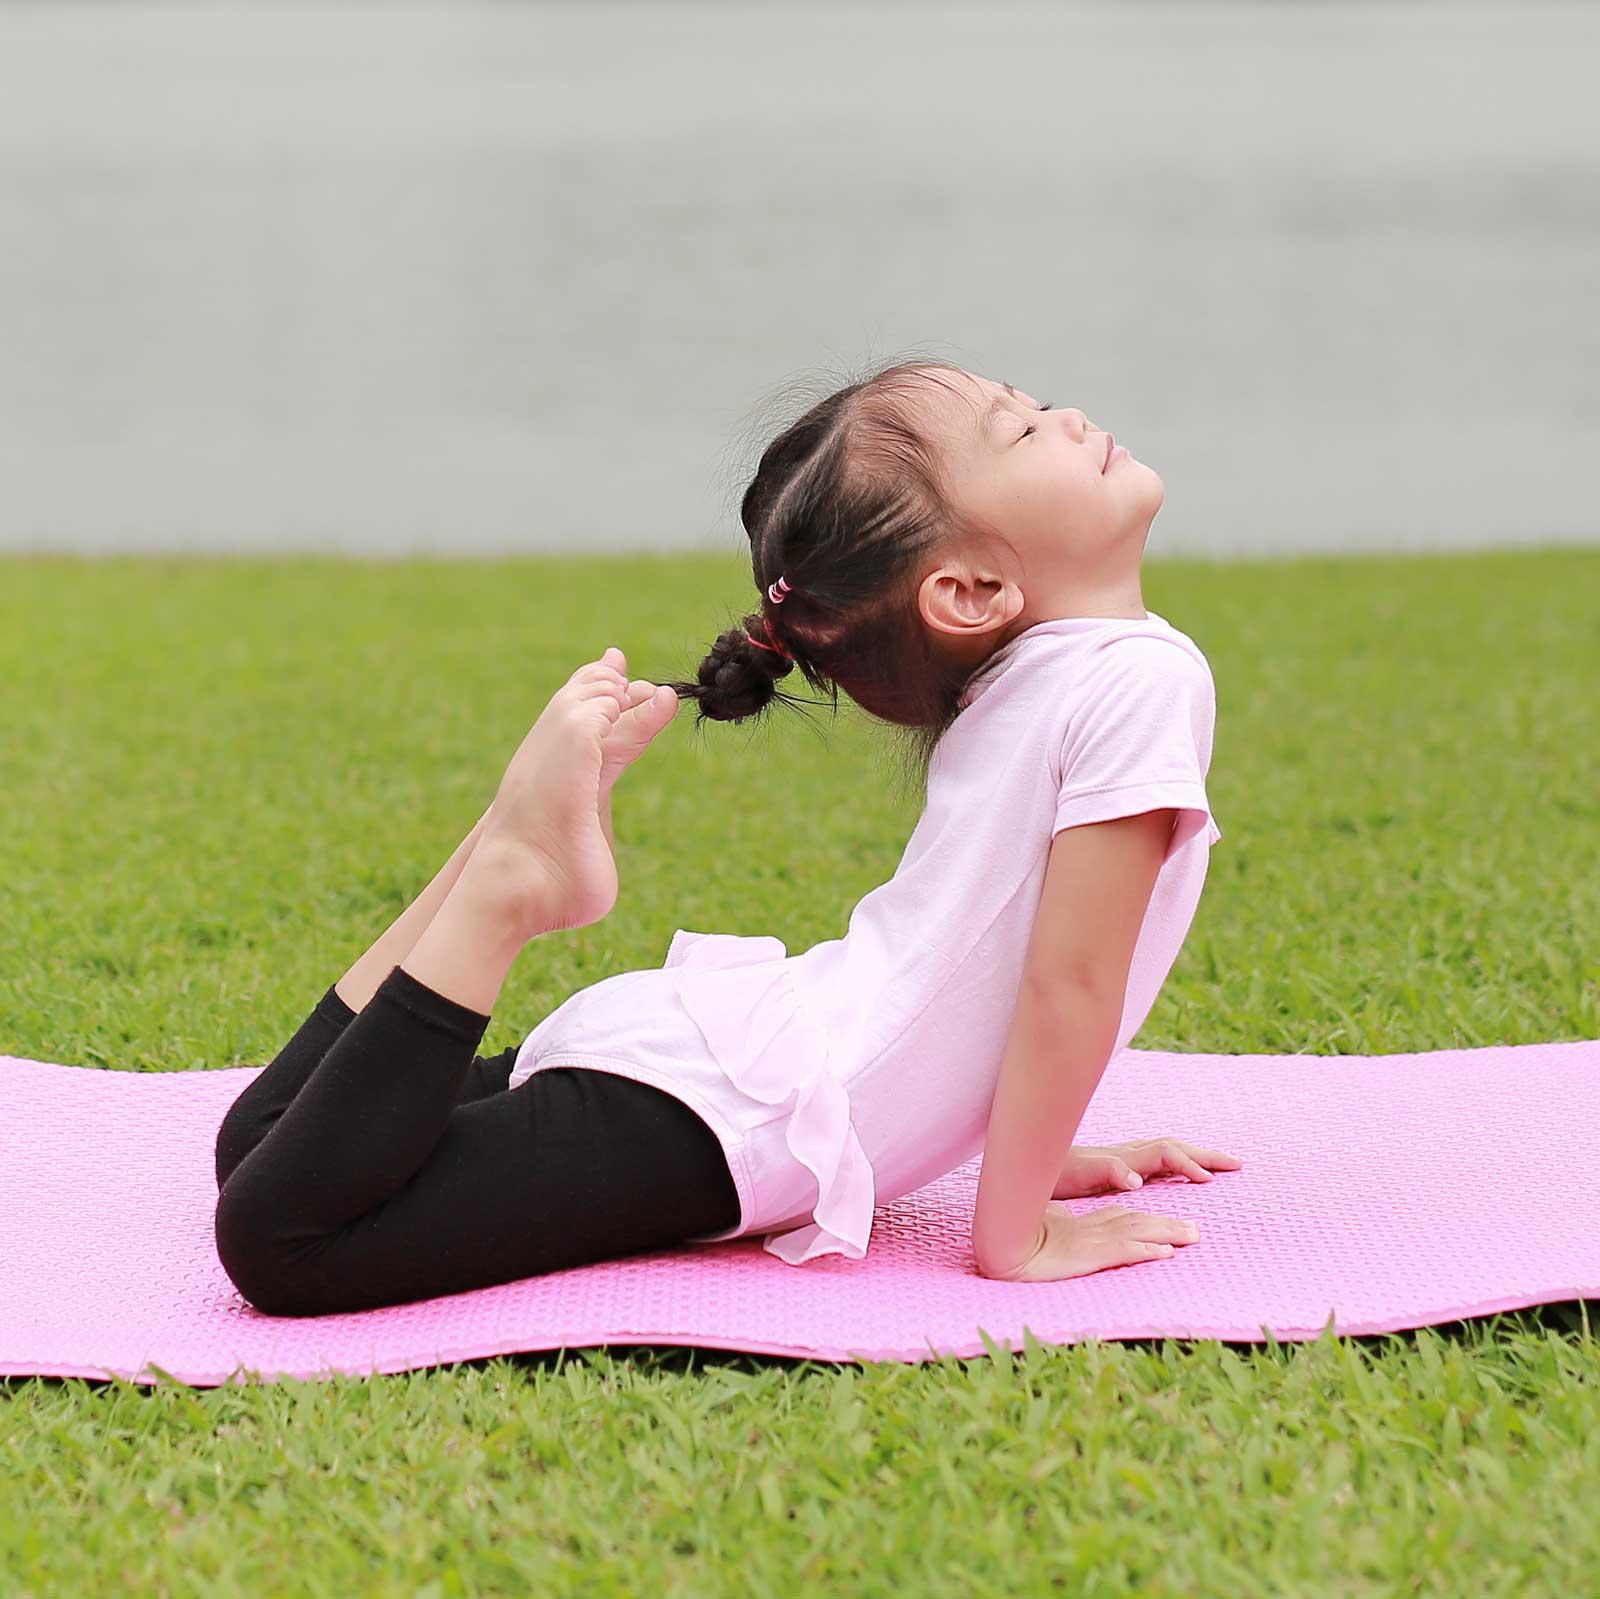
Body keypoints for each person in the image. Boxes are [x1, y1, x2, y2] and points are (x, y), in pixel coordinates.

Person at [213, 359, 1242, 1318]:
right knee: (289, 1238)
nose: (1063, 417)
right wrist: (1014, 1235)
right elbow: (1065, 984)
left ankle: (504, 843)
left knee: (267, 1151)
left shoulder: (1049, 676)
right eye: (1019, 430)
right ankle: (506, 884)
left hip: (734, 1068)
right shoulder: (1135, 677)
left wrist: (1020, 1145)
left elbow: (979, 961)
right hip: (745, 1118)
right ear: (967, 593)